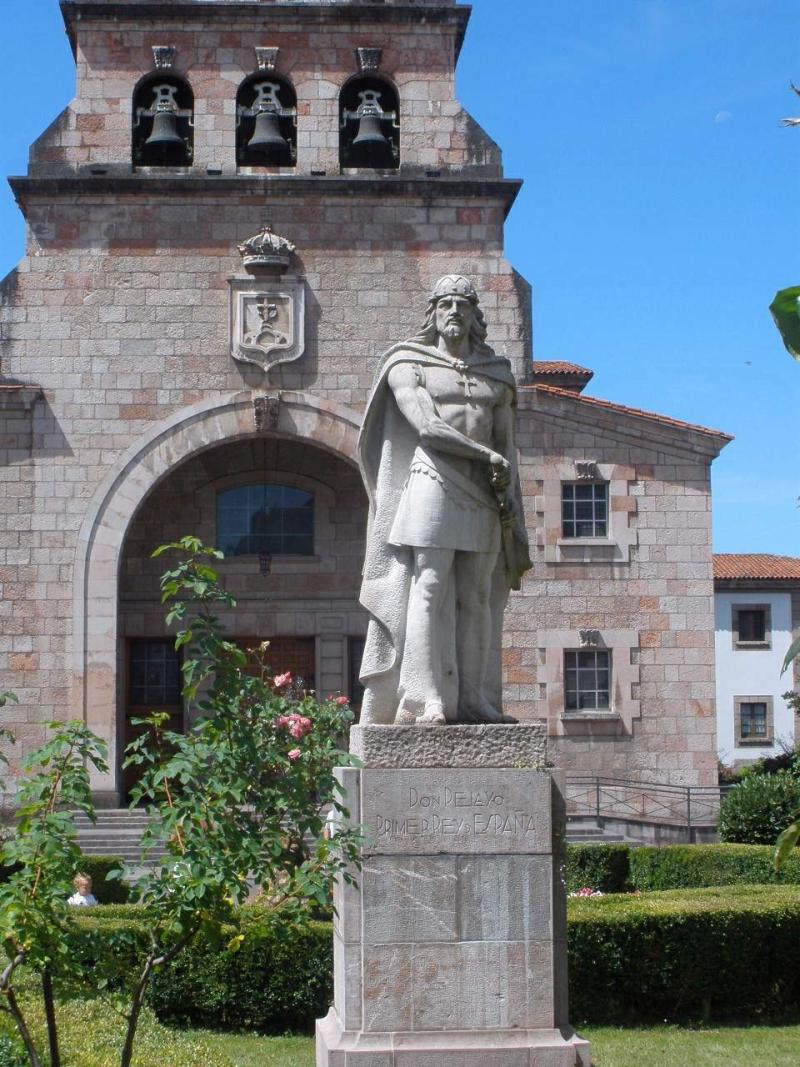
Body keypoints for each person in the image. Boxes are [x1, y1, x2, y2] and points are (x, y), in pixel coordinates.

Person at [358, 275, 532, 726]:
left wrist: (510, 495)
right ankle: (425, 697)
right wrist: (485, 456)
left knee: (478, 594)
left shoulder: (497, 374)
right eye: (446, 304)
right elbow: (427, 427)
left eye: (462, 305)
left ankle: (474, 698)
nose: (454, 311)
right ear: (433, 314)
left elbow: (507, 444)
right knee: (429, 585)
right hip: (432, 479)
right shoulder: (408, 364)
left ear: (475, 316)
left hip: (484, 491)